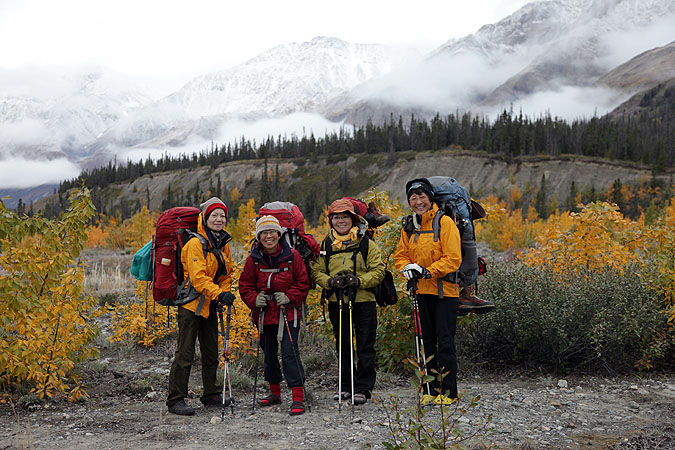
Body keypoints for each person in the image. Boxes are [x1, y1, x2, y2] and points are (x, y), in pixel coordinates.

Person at [394, 178, 462, 406]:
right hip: (421, 292)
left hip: (445, 293)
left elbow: (453, 258)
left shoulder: (444, 223)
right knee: (428, 342)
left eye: (422, 196)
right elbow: (400, 254)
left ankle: (449, 392)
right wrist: (406, 269)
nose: (417, 201)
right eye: (413, 198)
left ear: (430, 198)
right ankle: (431, 390)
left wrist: (427, 271)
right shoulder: (409, 225)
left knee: (444, 341)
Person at [166, 197, 236, 416]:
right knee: (185, 353)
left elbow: (227, 273)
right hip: (190, 304)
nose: (219, 219)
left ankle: (211, 394)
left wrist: (224, 292)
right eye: (214, 215)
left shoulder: (223, 243)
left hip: (210, 305)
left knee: (210, 352)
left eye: (222, 215)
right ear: (205, 218)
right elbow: (198, 278)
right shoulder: (195, 244)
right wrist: (219, 294)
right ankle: (176, 399)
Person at [311, 198, 385, 405]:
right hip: (338, 301)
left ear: (353, 219)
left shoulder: (365, 243)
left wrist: (359, 281)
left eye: (345, 217)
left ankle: (362, 388)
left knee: (365, 344)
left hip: (364, 300)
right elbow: (317, 271)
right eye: (336, 218)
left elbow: (378, 270)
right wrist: (330, 282)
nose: (340, 221)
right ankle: (346, 386)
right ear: (331, 221)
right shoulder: (326, 244)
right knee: (343, 345)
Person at [239, 215, 311, 416]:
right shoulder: (252, 260)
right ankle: (275, 393)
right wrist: (255, 299)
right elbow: (245, 286)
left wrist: (289, 296)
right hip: (264, 314)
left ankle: (297, 396)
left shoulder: (293, 256)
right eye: (264, 232)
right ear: (258, 236)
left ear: (279, 234)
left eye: (272, 232)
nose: (268, 236)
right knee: (269, 352)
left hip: (288, 312)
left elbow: (303, 283)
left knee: (289, 353)